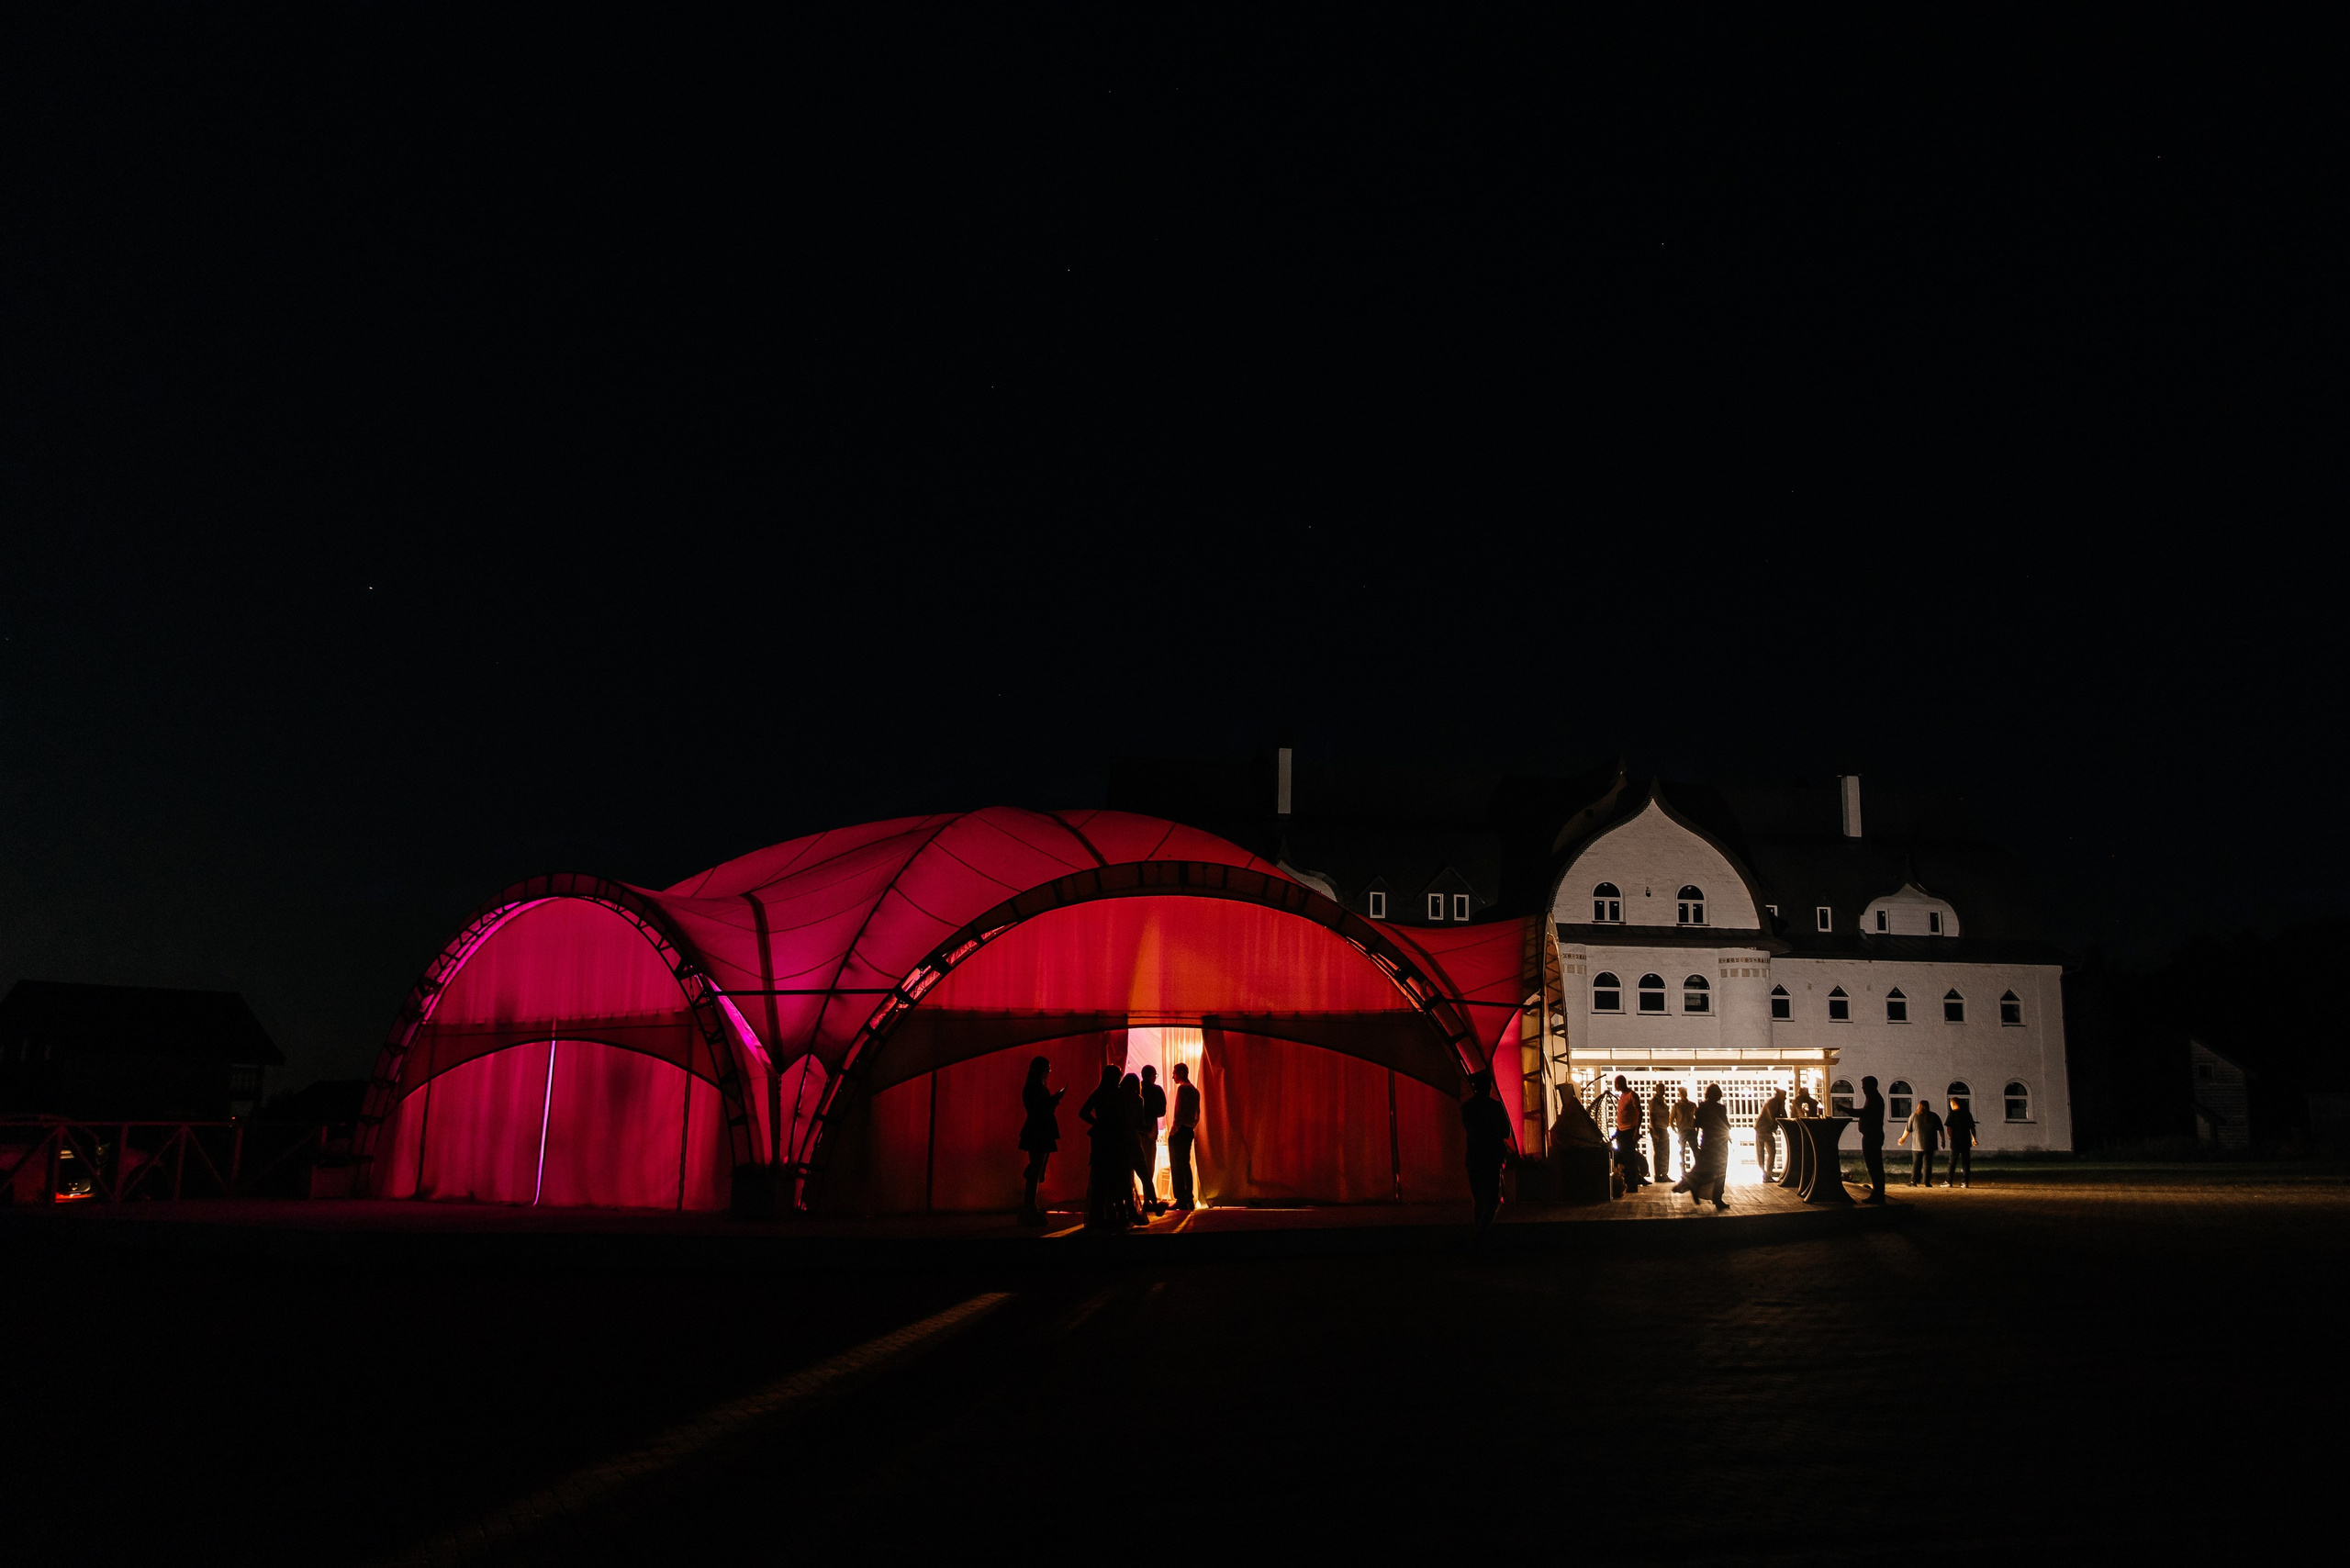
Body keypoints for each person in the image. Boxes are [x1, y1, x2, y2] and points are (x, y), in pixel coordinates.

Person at [1078, 1064, 1130, 1232]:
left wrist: (1098, 1123)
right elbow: (1124, 1116)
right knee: (1115, 1176)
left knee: (1100, 1177)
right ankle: (1115, 1215)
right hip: (1115, 1137)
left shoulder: (1099, 1092)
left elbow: (1083, 1112)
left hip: (1101, 1137)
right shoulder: (1119, 1093)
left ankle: (1100, 1216)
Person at [1460, 1070, 1515, 1231]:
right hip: (1492, 1156)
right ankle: (1481, 1234)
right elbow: (1506, 1132)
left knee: (1479, 1200)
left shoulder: (1468, 1107)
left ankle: (1478, 1232)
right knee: (1492, 1200)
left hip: (1475, 1155)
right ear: (1487, 1087)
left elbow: (1470, 1129)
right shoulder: (1495, 1106)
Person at [1016, 1055, 1063, 1226]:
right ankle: (1030, 1207)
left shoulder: (1032, 1087)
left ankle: (1030, 1206)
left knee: (1036, 1168)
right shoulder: (1036, 1088)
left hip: (1037, 1129)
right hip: (1040, 1130)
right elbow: (1042, 1109)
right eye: (1047, 1069)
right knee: (1037, 1169)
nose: (1049, 1072)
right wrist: (1054, 1100)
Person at [1673, 1083, 1732, 1210]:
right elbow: (1726, 1125)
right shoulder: (1721, 1108)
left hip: (1707, 1142)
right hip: (1720, 1144)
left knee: (1703, 1167)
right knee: (1720, 1171)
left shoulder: (1702, 1107)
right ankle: (1716, 1197)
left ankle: (1690, 1183)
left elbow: (1697, 1123)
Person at [1166, 1060, 1201, 1211]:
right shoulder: (1195, 1091)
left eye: (1174, 1073)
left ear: (1180, 1073)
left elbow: (1178, 1113)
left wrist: (1173, 1131)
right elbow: (1197, 1114)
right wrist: (1191, 1126)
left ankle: (1180, 1198)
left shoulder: (1182, 1089)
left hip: (1180, 1131)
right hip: (1188, 1130)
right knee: (1185, 1164)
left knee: (1177, 1164)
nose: (1173, 1077)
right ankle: (1189, 1198)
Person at [1118, 1073, 1151, 1224]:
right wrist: (1148, 1130)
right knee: (1144, 1174)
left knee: (1125, 1177)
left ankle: (1125, 1210)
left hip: (1119, 1141)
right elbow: (1140, 1123)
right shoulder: (1138, 1100)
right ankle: (1153, 1203)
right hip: (1132, 1140)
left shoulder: (1118, 1097)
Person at [1136, 1063, 1169, 1214]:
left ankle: (1135, 1199)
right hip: (1150, 1130)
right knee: (1149, 1165)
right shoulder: (1156, 1090)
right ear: (1152, 1076)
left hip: (1135, 1130)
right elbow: (1162, 1111)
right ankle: (1148, 1200)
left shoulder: (1136, 1089)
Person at [1854, 1076, 1888, 1204]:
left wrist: (1845, 1109)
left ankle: (1878, 1194)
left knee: (1874, 1166)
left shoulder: (1874, 1099)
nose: (1862, 1088)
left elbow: (1864, 1112)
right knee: (1874, 1166)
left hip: (1872, 1137)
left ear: (1871, 1086)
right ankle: (1878, 1193)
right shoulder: (1873, 1098)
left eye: (1864, 1086)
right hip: (1871, 1135)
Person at [1899, 1094, 1943, 1187]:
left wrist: (1903, 1138)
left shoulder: (1914, 1116)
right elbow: (1941, 1129)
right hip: (1930, 1145)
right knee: (1927, 1164)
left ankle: (1914, 1181)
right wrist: (1943, 1140)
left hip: (1917, 1145)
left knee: (1916, 1164)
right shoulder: (1934, 1116)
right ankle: (1927, 1182)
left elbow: (1908, 1129)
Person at [1611, 1074, 1646, 1190]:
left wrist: (1636, 1130)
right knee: (1623, 1158)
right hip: (1621, 1131)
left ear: (1621, 1083)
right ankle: (1627, 1182)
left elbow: (1639, 1112)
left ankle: (1632, 1184)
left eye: (1616, 1083)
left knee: (1630, 1158)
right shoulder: (1622, 1097)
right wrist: (1617, 1132)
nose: (1615, 1086)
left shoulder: (1632, 1095)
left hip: (1629, 1131)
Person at [1944, 1094, 1977, 1188]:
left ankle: (1948, 1181)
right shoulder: (1967, 1113)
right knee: (1966, 1162)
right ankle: (1965, 1182)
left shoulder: (1952, 1114)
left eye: (1951, 1104)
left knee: (1952, 1161)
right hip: (1966, 1140)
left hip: (1955, 1141)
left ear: (1954, 1104)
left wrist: (1951, 1137)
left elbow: (1949, 1127)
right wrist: (1974, 1138)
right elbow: (1972, 1128)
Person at [1757, 1088, 1787, 1183]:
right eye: (1784, 1096)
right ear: (1779, 1095)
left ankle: (1767, 1174)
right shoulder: (1772, 1102)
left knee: (1770, 1151)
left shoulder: (1778, 1102)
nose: (1785, 1098)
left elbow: (1784, 1115)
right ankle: (1766, 1174)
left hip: (1765, 1129)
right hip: (1762, 1129)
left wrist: (1782, 1105)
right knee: (1763, 1152)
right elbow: (1772, 1116)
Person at [1649, 1082, 1673, 1187]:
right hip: (1658, 1128)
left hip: (1663, 1128)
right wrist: (1655, 1131)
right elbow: (1652, 1116)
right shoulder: (1654, 1102)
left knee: (1665, 1152)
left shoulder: (1663, 1101)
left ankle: (1664, 1174)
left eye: (1664, 1089)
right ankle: (1658, 1175)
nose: (1663, 1091)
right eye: (1661, 1089)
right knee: (1659, 1152)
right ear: (1656, 1090)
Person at [1672, 1087, 1698, 1180]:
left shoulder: (1692, 1105)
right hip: (1682, 1131)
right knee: (1682, 1152)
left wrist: (1697, 1131)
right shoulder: (1676, 1105)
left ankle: (1696, 1170)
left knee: (1695, 1151)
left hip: (1691, 1131)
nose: (1683, 1094)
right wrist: (1675, 1130)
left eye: (1684, 1092)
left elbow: (1697, 1118)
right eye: (1682, 1092)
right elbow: (1671, 1119)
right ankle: (1683, 1172)